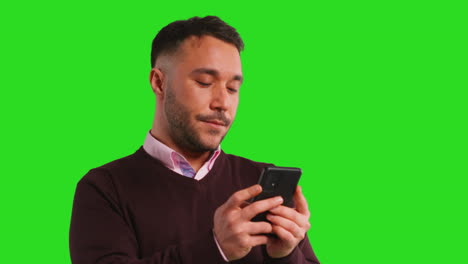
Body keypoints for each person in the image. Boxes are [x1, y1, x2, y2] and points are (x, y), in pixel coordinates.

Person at [69, 16, 320, 264]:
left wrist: (285, 256)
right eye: (204, 82)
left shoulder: (259, 181)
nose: (223, 103)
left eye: (232, 88)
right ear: (159, 82)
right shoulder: (103, 188)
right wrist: (216, 249)